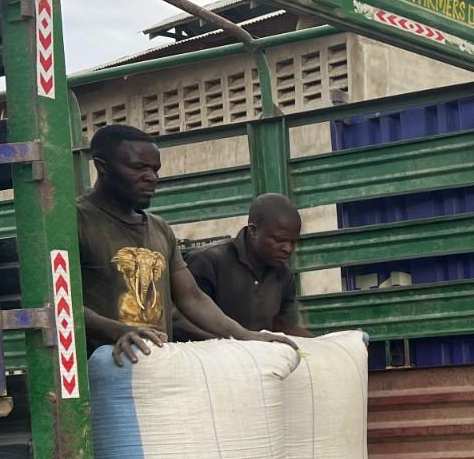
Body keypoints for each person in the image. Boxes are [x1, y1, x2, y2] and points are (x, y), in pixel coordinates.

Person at [78, 125, 291, 366]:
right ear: (102, 167)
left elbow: (192, 298)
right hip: (100, 372)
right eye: (138, 167)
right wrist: (118, 331)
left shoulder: (159, 228)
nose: (151, 177)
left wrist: (245, 336)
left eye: (155, 169)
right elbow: (61, 305)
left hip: (155, 368)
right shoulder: (75, 221)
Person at [176, 193, 310, 339]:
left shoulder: (284, 276)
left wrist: (318, 343)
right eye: (279, 240)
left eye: (293, 242)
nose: (288, 249)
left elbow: (279, 325)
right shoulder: (207, 262)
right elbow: (182, 321)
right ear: (253, 231)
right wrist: (237, 341)